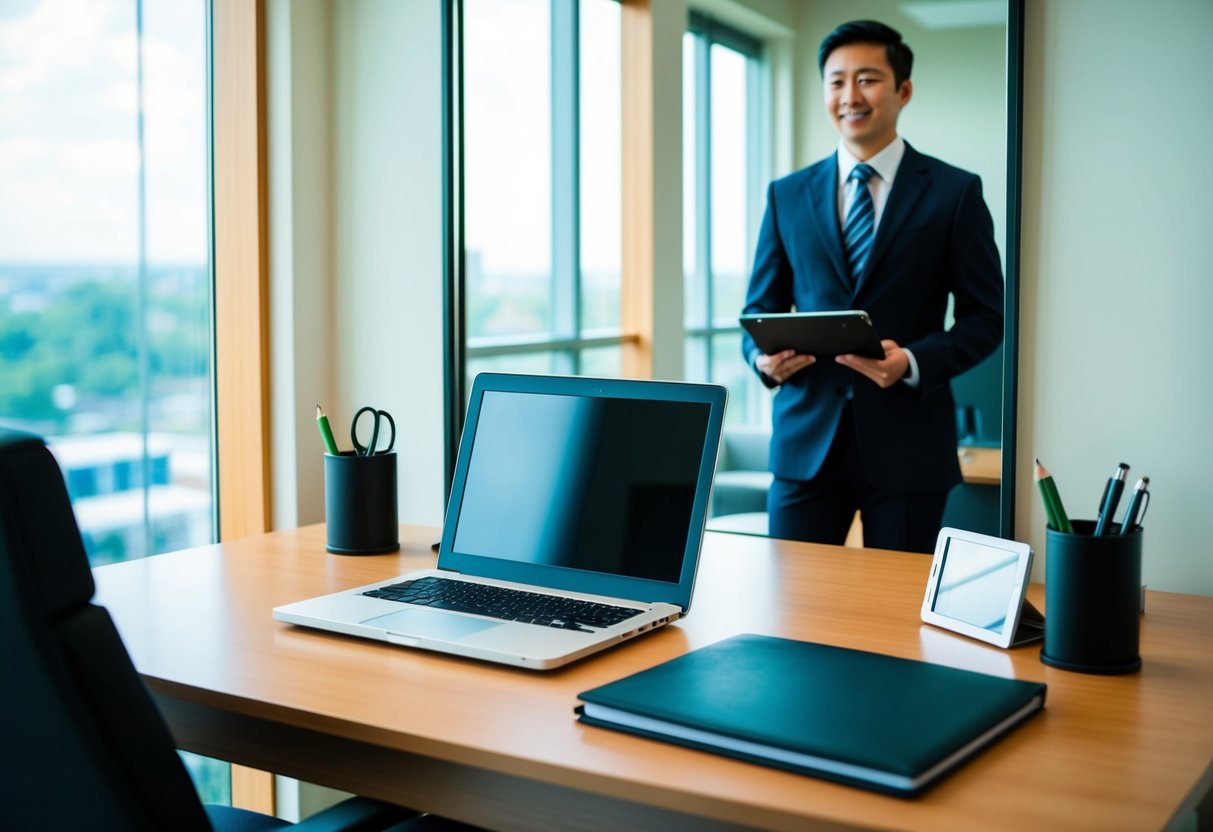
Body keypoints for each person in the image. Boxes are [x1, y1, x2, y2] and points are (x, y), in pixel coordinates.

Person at [741, 19, 1003, 553]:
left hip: (909, 446)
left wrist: (910, 361)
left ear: (903, 91)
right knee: (791, 609)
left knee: (897, 621)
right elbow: (759, 310)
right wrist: (762, 361)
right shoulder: (786, 195)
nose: (850, 96)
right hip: (804, 446)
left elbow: (987, 318)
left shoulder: (954, 193)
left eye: (867, 79)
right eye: (836, 81)